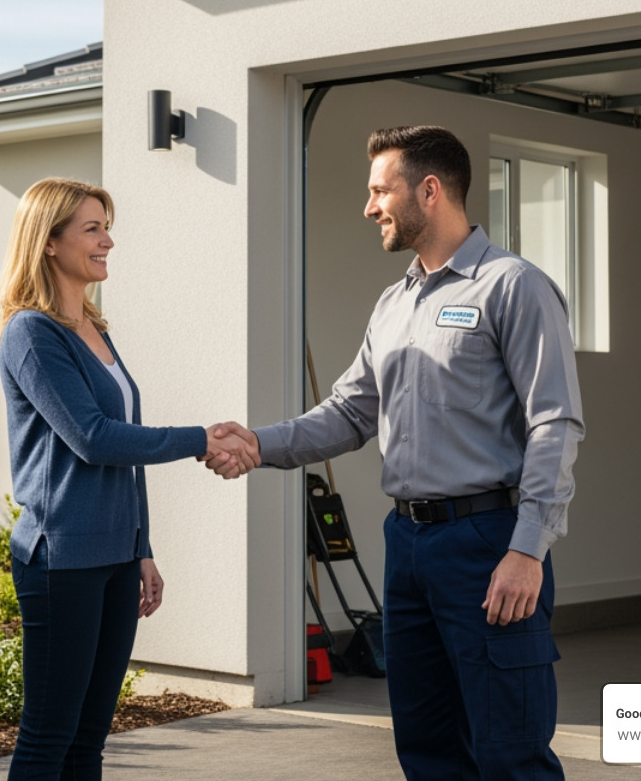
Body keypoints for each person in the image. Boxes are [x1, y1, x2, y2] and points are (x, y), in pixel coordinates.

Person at [208, 126, 583, 781]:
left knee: (510, 752)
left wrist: (528, 550)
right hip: (407, 545)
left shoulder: (514, 286)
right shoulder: (394, 303)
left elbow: (555, 422)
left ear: (429, 190)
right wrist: (259, 443)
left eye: (381, 190)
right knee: (427, 747)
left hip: (488, 543)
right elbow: (351, 412)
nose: (369, 207)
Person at [0, 176, 259, 781]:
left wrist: (142, 547)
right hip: (62, 558)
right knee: (48, 736)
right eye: (92, 229)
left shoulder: (94, 327)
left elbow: (126, 443)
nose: (108, 241)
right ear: (48, 241)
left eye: (106, 228)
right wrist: (200, 439)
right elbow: (95, 438)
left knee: (89, 739)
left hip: (115, 556)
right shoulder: (31, 332)